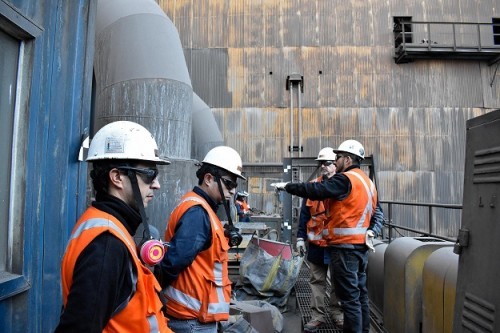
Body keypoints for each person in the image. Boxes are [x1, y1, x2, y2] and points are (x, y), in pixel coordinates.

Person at [55, 121, 173, 332]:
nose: (156, 184)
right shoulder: (107, 244)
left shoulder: (112, 229)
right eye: (149, 175)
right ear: (117, 177)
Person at [275, 140, 384, 333]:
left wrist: (288, 186)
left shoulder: (345, 179)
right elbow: (376, 212)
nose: (336, 161)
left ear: (348, 159)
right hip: (360, 247)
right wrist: (372, 230)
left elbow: (316, 191)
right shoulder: (367, 183)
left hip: (345, 248)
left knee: (349, 299)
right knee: (359, 296)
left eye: (338, 157)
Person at [156, 146, 245, 333]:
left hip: (195, 316)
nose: (232, 190)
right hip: (191, 318)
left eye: (235, 185)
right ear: (209, 179)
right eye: (229, 183)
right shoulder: (197, 213)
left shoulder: (201, 208)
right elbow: (173, 262)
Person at [297, 147, 344, 332]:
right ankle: (317, 316)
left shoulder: (343, 186)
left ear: (336, 165)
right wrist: (300, 238)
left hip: (337, 244)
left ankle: (337, 313)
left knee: (338, 280)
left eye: (327, 163)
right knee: (317, 281)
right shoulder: (313, 188)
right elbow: (304, 215)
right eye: (321, 163)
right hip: (317, 245)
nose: (323, 166)